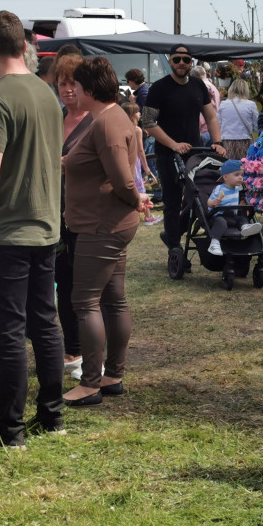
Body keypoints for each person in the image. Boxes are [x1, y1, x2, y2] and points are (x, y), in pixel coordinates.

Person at [0, 10, 65, 448]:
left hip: (5, 231)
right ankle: (52, 416)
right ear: (25, 46)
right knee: (45, 323)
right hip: (45, 226)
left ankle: (11, 430)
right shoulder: (46, 93)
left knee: (8, 332)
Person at [62, 57, 150, 407]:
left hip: (102, 225)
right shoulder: (108, 118)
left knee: (85, 302)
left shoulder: (107, 123)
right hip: (109, 222)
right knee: (113, 300)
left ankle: (91, 383)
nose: (73, 92)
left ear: (88, 90)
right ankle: (112, 375)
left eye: (77, 87)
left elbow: (121, 179)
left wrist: (136, 198)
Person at [142, 44, 226, 250]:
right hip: (167, 154)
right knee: (172, 203)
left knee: (196, 201)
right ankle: (175, 248)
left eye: (186, 60)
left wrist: (217, 142)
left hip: (194, 154)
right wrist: (173, 144)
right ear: (170, 61)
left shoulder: (198, 85)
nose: (181, 63)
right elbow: (148, 122)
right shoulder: (159, 88)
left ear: (191, 63)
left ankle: (174, 232)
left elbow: (211, 116)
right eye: (177, 59)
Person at [52, 52, 91, 376]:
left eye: (73, 83)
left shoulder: (97, 120)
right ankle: (72, 350)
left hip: (88, 215)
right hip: (55, 213)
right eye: (62, 83)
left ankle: (91, 353)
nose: (67, 90)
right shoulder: (54, 119)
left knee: (86, 287)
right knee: (63, 283)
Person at [206, 159, 261, 256]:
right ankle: (214, 243)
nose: (240, 177)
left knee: (242, 218)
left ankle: (245, 227)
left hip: (232, 216)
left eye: (241, 175)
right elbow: (208, 203)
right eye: (236, 175)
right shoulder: (219, 188)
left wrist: (242, 205)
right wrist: (213, 202)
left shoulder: (237, 189)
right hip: (219, 216)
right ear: (225, 177)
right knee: (221, 223)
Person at [218, 77, 259, 160]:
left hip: (226, 141)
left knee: (229, 168)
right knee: (245, 168)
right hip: (245, 141)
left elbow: (218, 124)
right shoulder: (251, 105)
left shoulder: (223, 104)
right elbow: (256, 126)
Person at [193, 65, 221, 146]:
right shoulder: (212, 86)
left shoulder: (203, 87)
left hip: (205, 130)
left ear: (193, 76)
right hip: (213, 129)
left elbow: (202, 110)